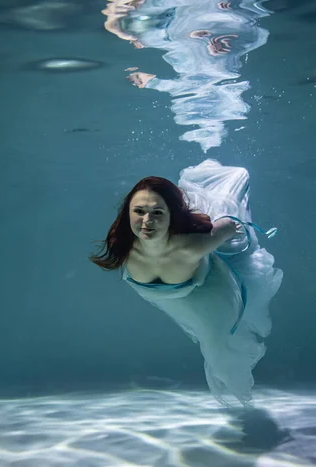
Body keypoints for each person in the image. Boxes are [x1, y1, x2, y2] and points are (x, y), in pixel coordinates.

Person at [90, 159, 282, 407]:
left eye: (157, 213)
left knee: (218, 348)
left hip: (210, 291)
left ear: (172, 217)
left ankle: (243, 403)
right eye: (139, 211)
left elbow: (225, 227)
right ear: (127, 213)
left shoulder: (190, 247)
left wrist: (231, 229)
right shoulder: (122, 243)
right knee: (215, 347)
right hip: (166, 296)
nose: (146, 221)